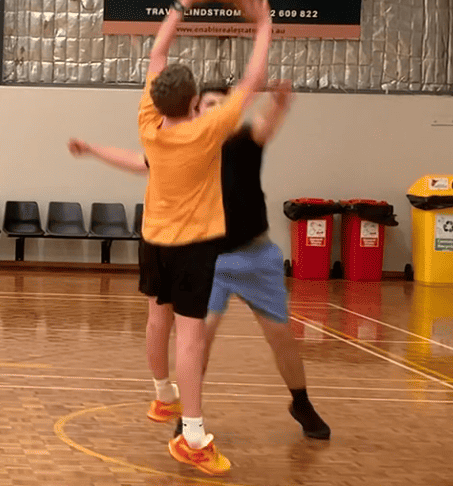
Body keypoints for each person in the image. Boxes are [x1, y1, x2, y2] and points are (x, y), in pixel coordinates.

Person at [68, 80, 331, 442]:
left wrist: (281, 103)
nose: (214, 109)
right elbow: (136, 161)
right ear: (195, 110)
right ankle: (191, 418)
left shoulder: (245, 139)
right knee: (198, 341)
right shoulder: (183, 147)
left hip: (255, 257)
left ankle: (300, 402)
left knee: (281, 338)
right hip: (209, 259)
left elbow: (267, 120)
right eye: (207, 104)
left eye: (221, 104)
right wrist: (92, 148)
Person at [131, 0, 272, 476]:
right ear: (195, 103)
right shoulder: (207, 130)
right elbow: (254, 80)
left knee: (156, 318)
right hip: (192, 247)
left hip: (152, 239)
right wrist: (263, 25)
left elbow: (157, 50)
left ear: (158, 99)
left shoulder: (150, 121)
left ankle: (160, 396)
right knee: (189, 336)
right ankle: (192, 436)